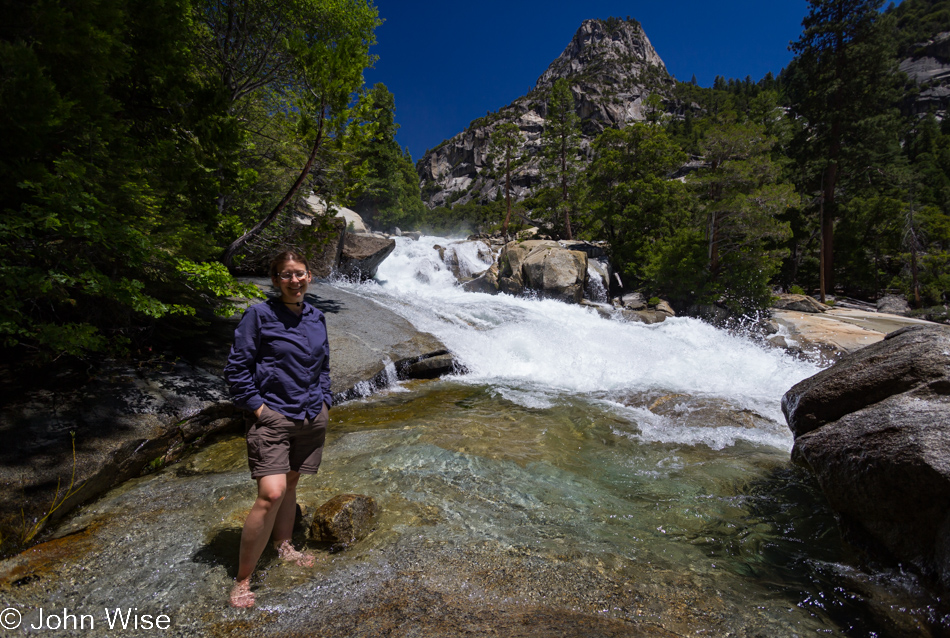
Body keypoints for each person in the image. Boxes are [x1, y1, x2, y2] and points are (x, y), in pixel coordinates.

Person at [223, 250, 332, 608]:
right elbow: (237, 369)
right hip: (273, 415)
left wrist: (326, 400)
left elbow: (324, 364)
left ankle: (283, 544)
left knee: (292, 483)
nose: (294, 281)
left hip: (310, 415)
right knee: (271, 492)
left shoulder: (317, 317)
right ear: (275, 280)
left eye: (299, 273)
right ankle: (242, 579)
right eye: (286, 275)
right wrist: (258, 409)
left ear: (309, 276)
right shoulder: (260, 314)